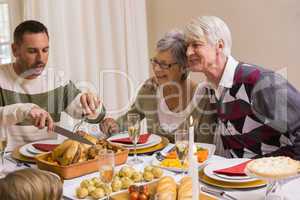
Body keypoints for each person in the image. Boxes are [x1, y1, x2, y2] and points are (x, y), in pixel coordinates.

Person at [184, 16, 300, 159]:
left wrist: (278, 167)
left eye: (196, 45)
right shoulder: (210, 88)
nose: (188, 52)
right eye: (187, 46)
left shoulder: (259, 81)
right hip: (236, 175)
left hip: (273, 177)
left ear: (219, 46)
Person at [0, 20, 105, 151]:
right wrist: (24, 111)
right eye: (32, 51)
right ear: (15, 50)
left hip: (48, 161)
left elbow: (96, 117)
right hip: (7, 163)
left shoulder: (57, 80)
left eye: (45, 50)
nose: (41, 59)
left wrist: (92, 104)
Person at [100, 30, 216, 143]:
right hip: (154, 162)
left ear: (183, 67)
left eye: (164, 65)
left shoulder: (204, 98)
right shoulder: (149, 90)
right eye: (155, 62)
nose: (156, 69)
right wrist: (112, 125)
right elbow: (130, 119)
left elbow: (205, 148)